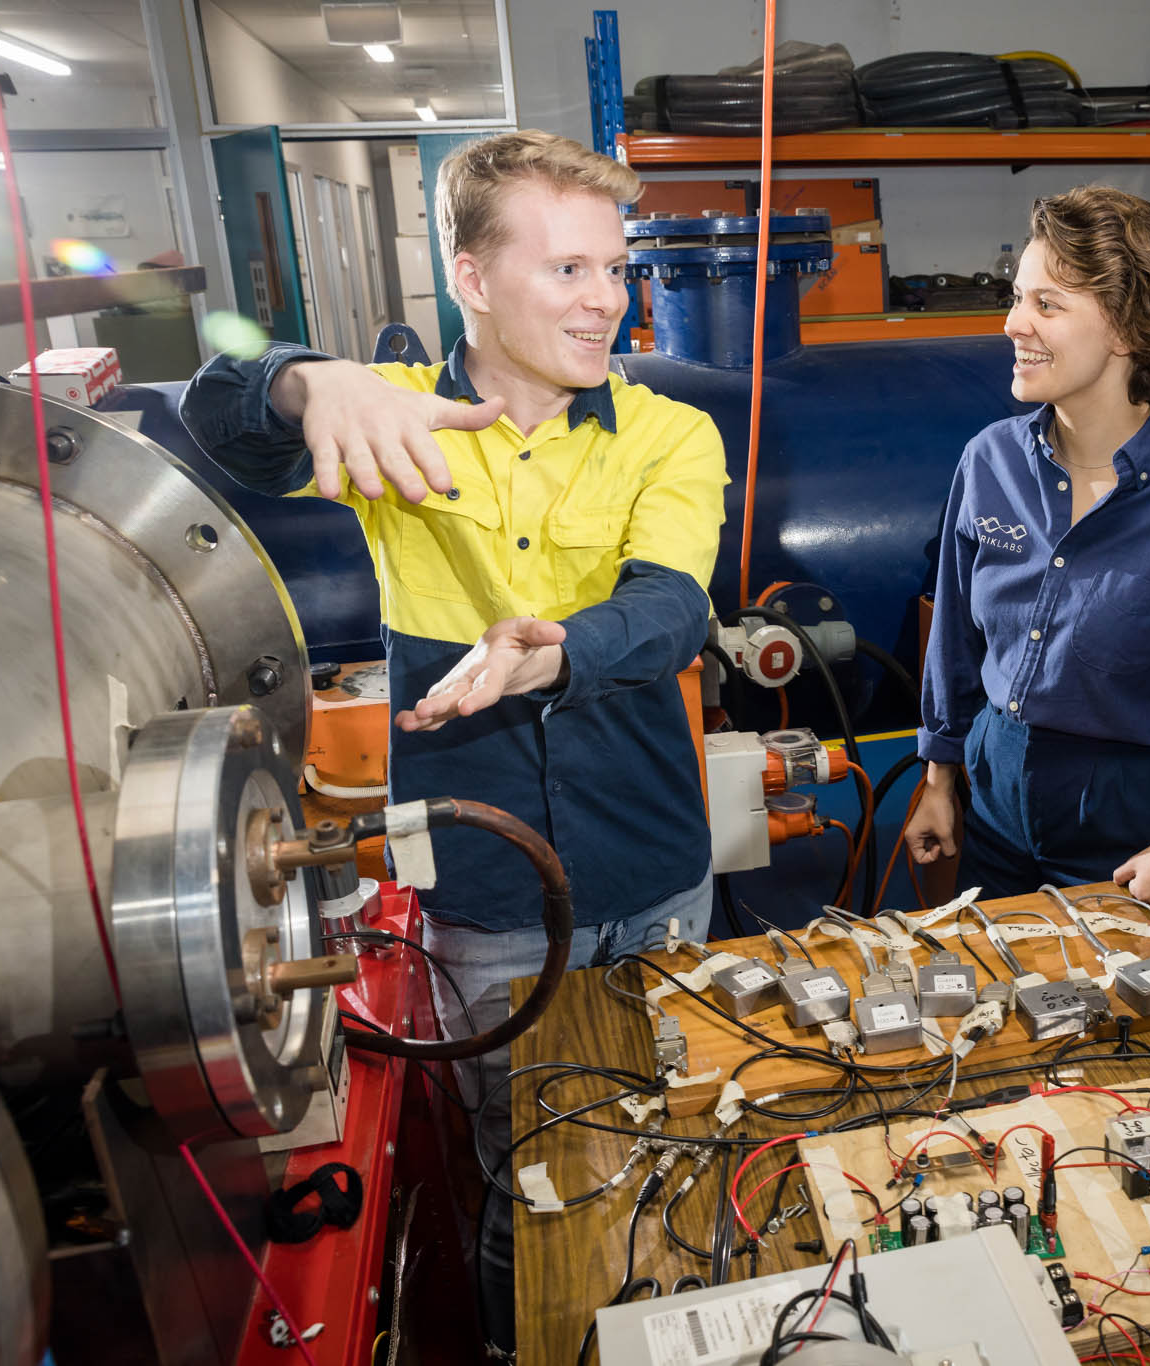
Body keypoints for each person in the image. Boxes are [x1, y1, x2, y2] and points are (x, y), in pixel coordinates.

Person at [180, 130, 725, 1350]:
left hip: (656, 877)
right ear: (471, 279)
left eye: (615, 268)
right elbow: (212, 415)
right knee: (523, 1180)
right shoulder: (392, 427)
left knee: (680, 1143)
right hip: (489, 900)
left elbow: (673, 605)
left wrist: (559, 650)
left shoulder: (666, 435)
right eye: (569, 270)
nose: (607, 301)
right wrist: (303, 380)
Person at [907, 186, 1150, 915]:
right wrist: (939, 779)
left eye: (1046, 305)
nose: (1011, 323)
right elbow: (956, 642)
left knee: (1115, 1027)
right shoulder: (987, 463)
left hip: (1130, 832)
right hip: (991, 801)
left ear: (1126, 328)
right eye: (1015, 296)